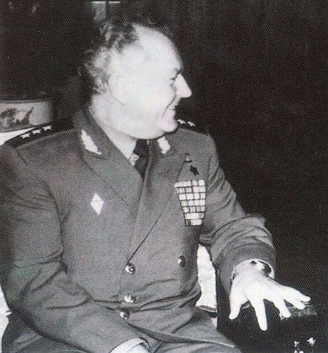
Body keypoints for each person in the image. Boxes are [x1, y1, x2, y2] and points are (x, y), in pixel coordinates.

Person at [0, 19, 310, 352]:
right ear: (121, 87)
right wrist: (121, 344)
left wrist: (249, 270)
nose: (186, 91)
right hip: (67, 338)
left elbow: (232, 227)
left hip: (177, 334)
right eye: (173, 78)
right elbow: (33, 279)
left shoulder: (193, 148)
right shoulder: (37, 161)